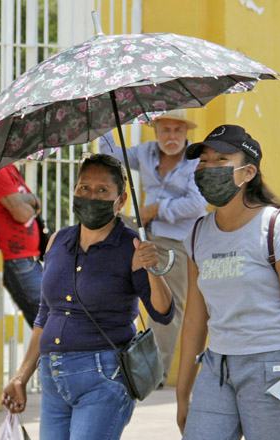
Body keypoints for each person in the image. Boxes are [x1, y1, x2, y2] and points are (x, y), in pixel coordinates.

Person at [175, 125, 280, 439]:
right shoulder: (197, 234)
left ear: (247, 172)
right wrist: (183, 393)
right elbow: (195, 318)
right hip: (216, 367)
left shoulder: (277, 227)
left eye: (221, 160)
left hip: (272, 366)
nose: (208, 168)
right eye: (204, 161)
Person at [1, 153, 175, 440]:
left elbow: (163, 312)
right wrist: (21, 377)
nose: (91, 196)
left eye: (102, 190)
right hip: (53, 379)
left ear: (121, 200)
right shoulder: (58, 241)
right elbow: (46, 314)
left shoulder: (131, 246)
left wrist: (152, 268)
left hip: (103, 378)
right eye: (84, 187)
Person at [99, 108, 207, 386]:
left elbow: (197, 204)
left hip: (176, 240)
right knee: (103, 225)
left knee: (168, 306)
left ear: (186, 132)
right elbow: (112, 156)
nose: (172, 136)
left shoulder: (195, 160)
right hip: (144, 234)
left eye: (178, 130)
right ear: (156, 131)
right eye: (165, 130)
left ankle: (155, 374)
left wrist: (156, 209)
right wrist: (106, 122)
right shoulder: (146, 152)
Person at [0, 160, 43, 327]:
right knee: (49, 321)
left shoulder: (9, 168)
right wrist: (29, 202)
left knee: (51, 319)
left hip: (28, 258)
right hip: (16, 259)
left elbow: (36, 204)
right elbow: (22, 214)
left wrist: (27, 201)